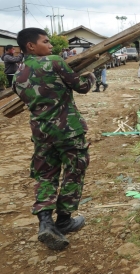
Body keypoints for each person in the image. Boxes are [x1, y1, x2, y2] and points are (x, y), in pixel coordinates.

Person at [12, 28, 95, 250]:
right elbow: (82, 87)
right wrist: (91, 74)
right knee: (73, 172)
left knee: (46, 176)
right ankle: (65, 220)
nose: (51, 46)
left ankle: (45, 223)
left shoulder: (17, 75)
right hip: (68, 130)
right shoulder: (54, 62)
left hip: (41, 134)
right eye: (46, 41)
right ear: (31, 46)